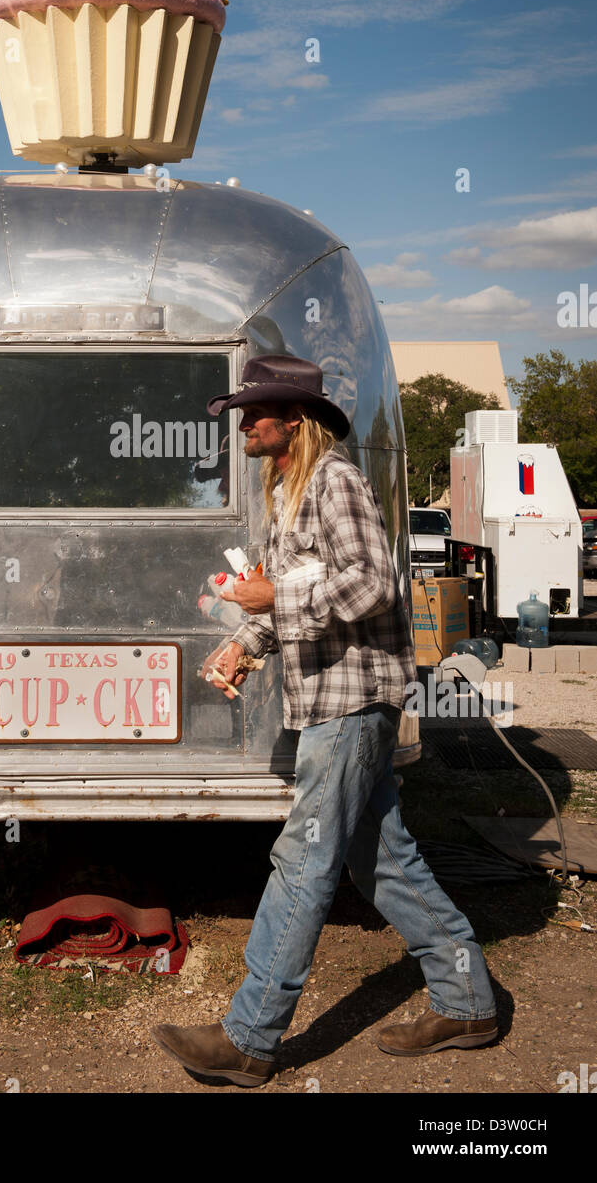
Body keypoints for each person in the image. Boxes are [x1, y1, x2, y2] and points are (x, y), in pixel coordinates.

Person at [151, 354, 497, 1087]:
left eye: (254, 413)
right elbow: (286, 596)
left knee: (302, 862)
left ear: (293, 422)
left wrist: (270, 602)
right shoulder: (290, 492)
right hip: (331, 702)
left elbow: (373, 583)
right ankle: (466, 999)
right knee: (382, 858)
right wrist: (241, 646)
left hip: (350, 701)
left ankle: (249, 1036)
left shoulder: (334, 481)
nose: (243, 425)